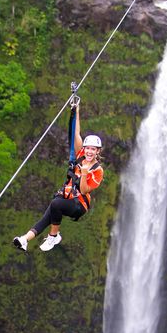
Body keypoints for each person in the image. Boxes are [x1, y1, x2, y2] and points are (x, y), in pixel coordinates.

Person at [13, 103, 103, 252]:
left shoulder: (97, 170)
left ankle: (54, 236)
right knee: (48, 215)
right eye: (88, 148)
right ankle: (24, 240)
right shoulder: (80, 155)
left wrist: (85, 173)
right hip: (67, 196)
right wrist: (76, 111)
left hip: (79, 205)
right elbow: (75, 133)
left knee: (56, 204)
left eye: (93, 149)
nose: (89, 151)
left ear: (97, 151)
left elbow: (84, 189)